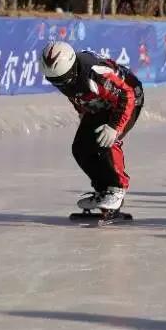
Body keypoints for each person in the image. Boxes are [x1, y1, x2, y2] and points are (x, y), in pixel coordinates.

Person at [40, 41, 144, 214]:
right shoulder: (64, 78)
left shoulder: (96, 73)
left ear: (72, 69)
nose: (60, 85)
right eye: (54, 81)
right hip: (102, 103)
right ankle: (103, 190)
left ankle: (117, 189)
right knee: (80, 147)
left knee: (105, 139)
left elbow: (128, 94)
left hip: (128, 100)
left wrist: (115, 127)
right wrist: (83, 115)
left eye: (62, 79)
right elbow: (77, 98)